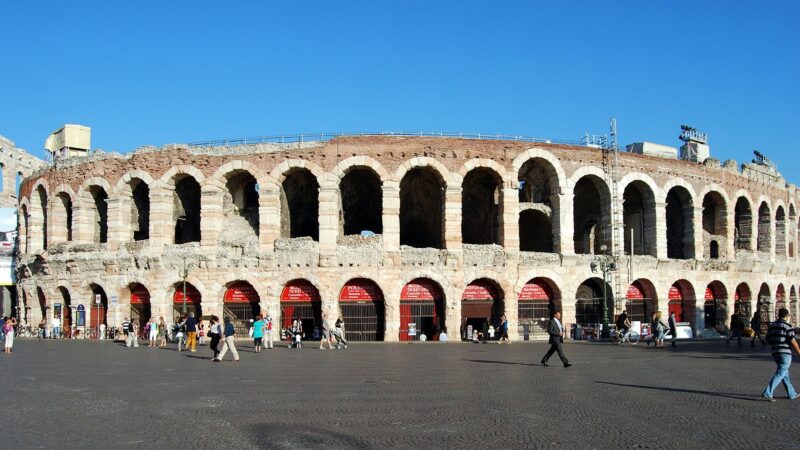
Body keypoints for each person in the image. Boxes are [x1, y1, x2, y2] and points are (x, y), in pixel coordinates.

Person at [762, 308, 800, 401]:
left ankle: (791, 393)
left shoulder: (772, 326)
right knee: (781, 372)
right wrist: (799, 352)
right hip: (785, 353)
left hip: (775, 352)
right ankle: (768, 392)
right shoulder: (788, 326)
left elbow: (767, 339)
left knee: (784, 372)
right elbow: (793, 341)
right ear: (787, 316)